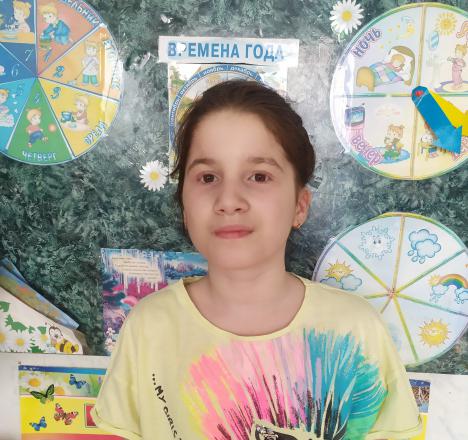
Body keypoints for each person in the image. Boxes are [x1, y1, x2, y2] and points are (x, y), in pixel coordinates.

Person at [92, 80, 422, 439]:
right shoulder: (149, 328)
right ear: (184, 206)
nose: (228, 200)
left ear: (299, 205)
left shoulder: (356, 329)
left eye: (259, 176)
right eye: (208, 177)